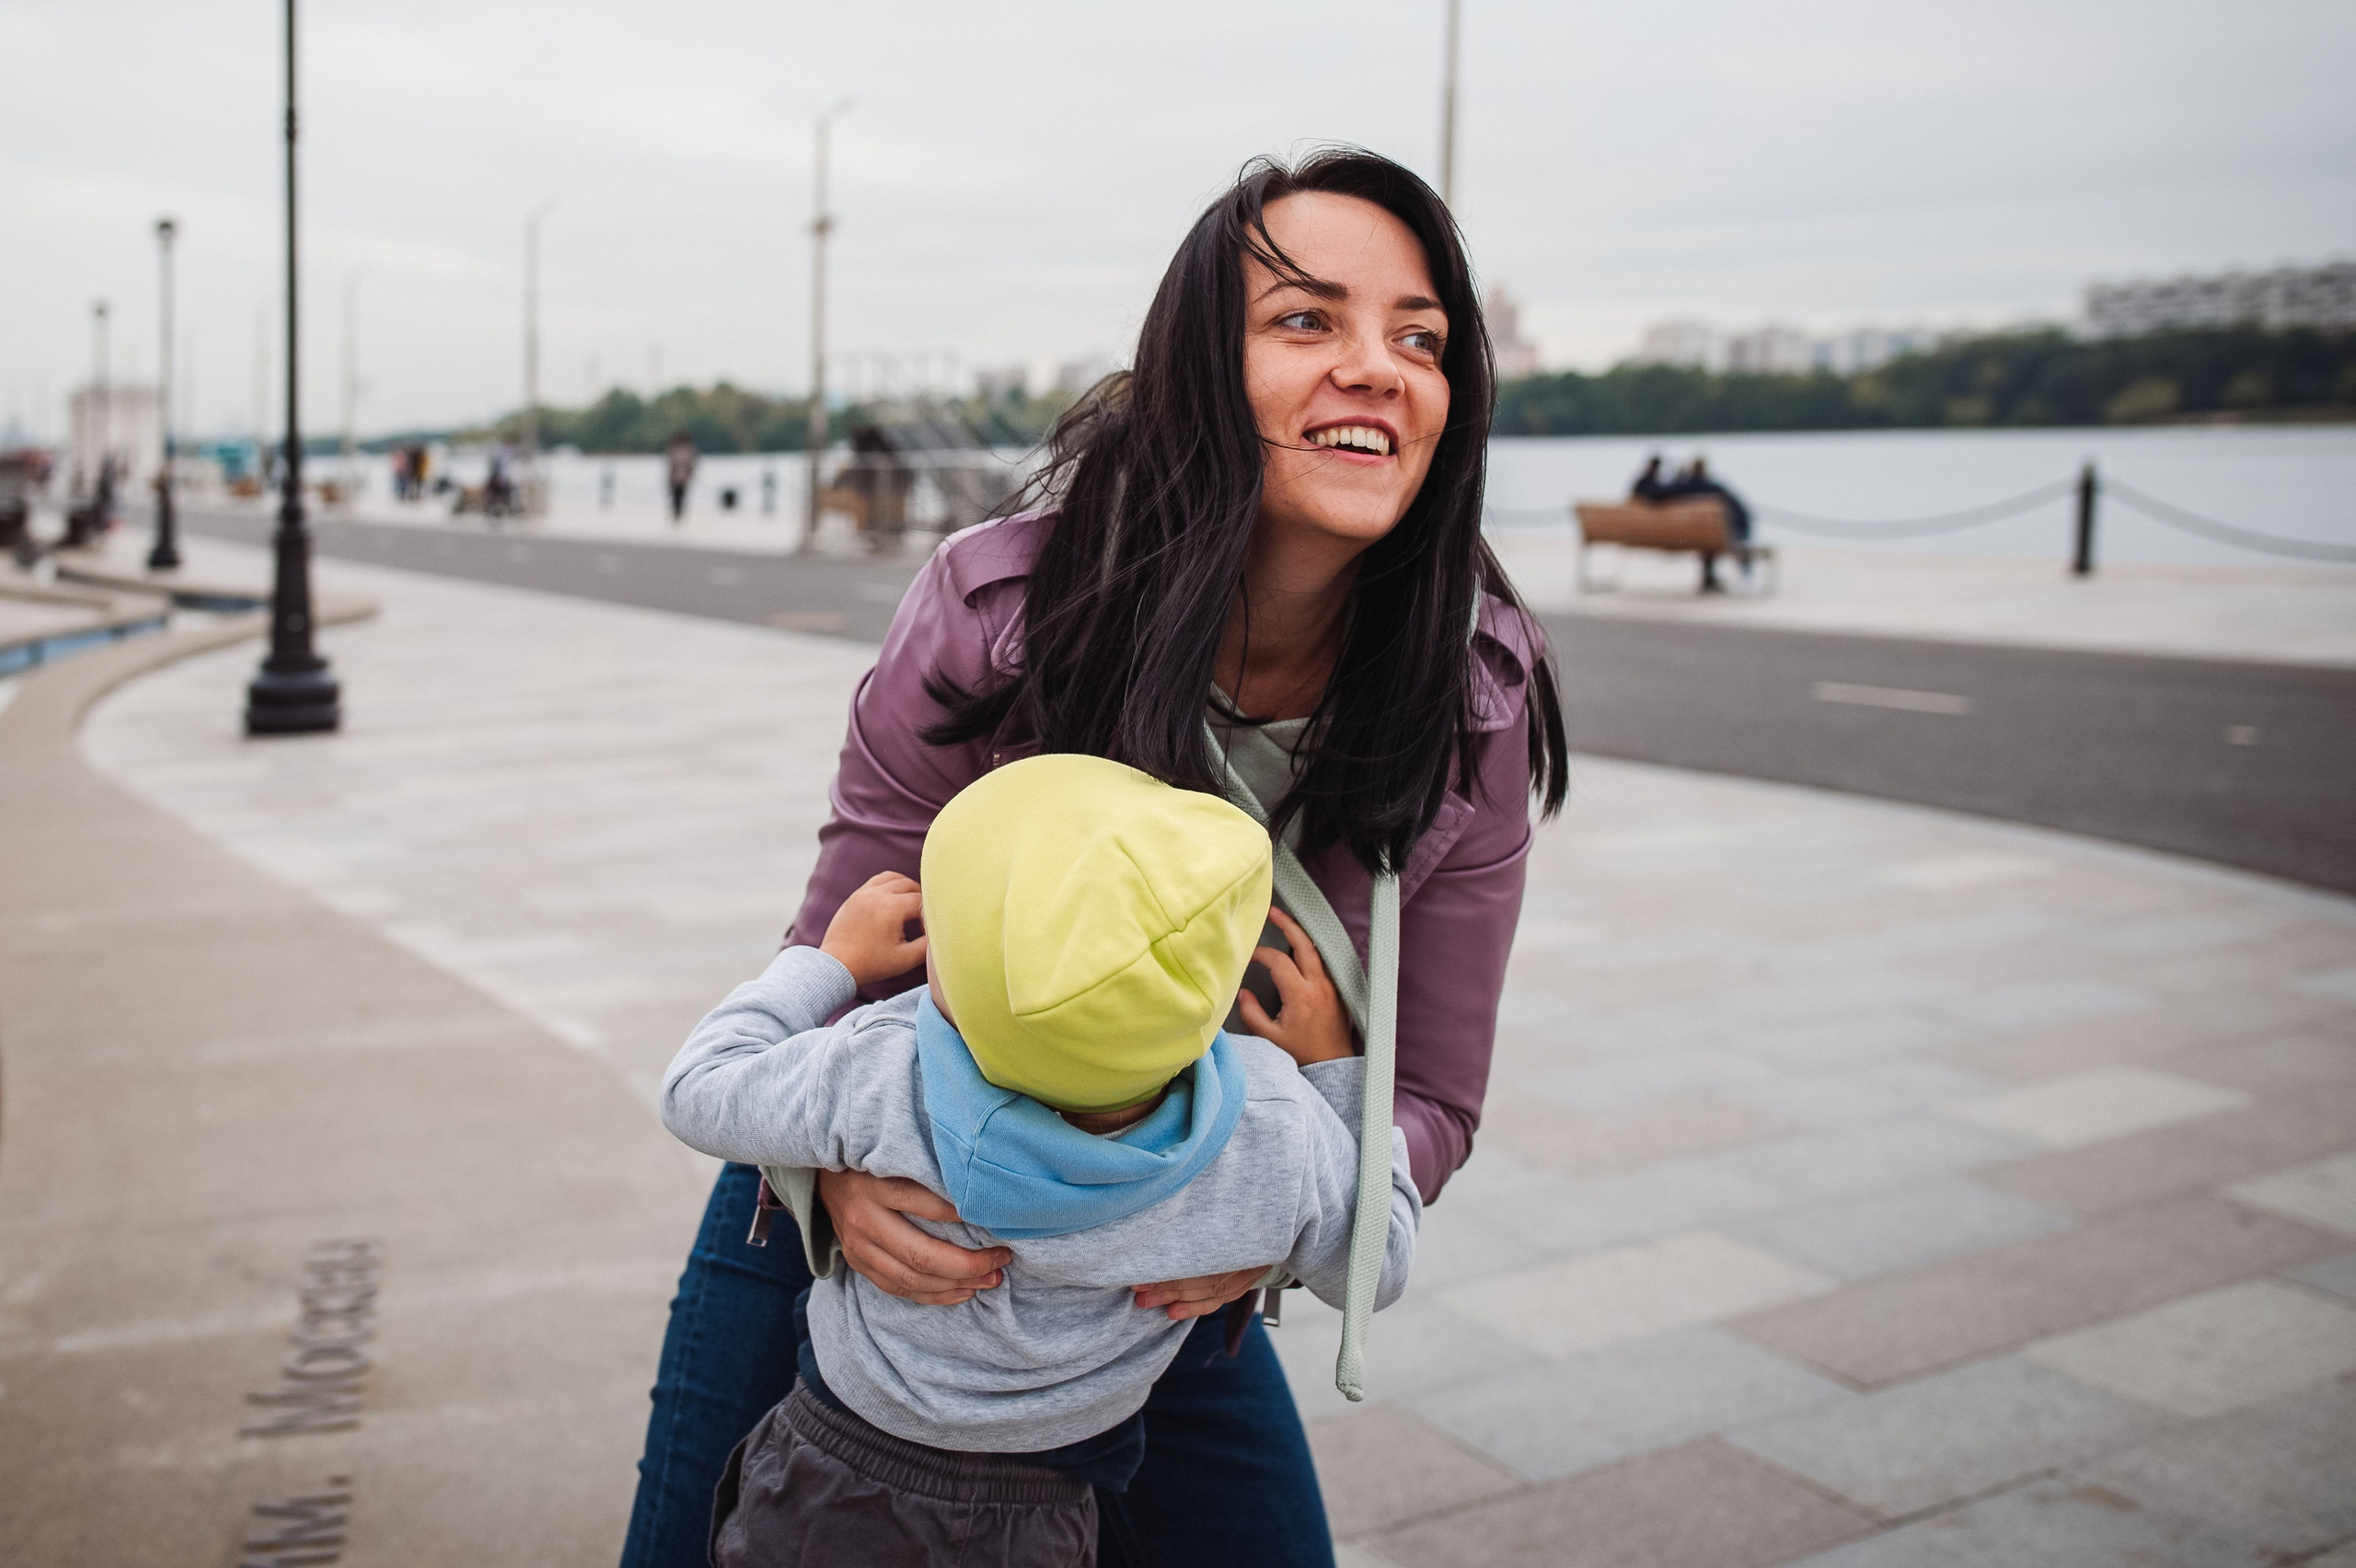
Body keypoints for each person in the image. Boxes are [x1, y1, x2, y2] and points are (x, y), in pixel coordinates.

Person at [620, 147, 1570, 1568]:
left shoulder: (1473, 693)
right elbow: (849, 949)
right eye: (1307, 320)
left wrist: (1299, 1161)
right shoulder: (1002, 609)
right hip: (877, 1232)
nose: (1378, 366)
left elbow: (1430, 1102)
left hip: (1161, 1268)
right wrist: (835, 1186)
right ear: (1197, 369)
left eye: (1421, 338)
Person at [661, 757, 1418, 1565]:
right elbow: (1381, 1260)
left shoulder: (883, 1073)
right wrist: (1338, 1072)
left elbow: (698, 1087)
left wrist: (830, 963)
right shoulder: (1272, 1131)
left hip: (835, 1486)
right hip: (1051, 1520)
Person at [1663, 455, 1753, 593]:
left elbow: (1663, 493)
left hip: (1689, 536)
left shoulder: (1684, 487)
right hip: (1716, 538)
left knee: (1707, 535)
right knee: (1718, 536)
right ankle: (1743, 576)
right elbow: (1739, 511)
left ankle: (1709, 578)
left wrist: (1678, 478)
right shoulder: (1714, 488)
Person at [666, 430, 698, 523]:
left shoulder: (688, 449)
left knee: (681, 495)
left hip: (682, 477)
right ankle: (677, 512)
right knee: (676, 496)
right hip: (677, 477)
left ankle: (679, 512)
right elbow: (671, 464)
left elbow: (690, 464)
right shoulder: (677, 449)